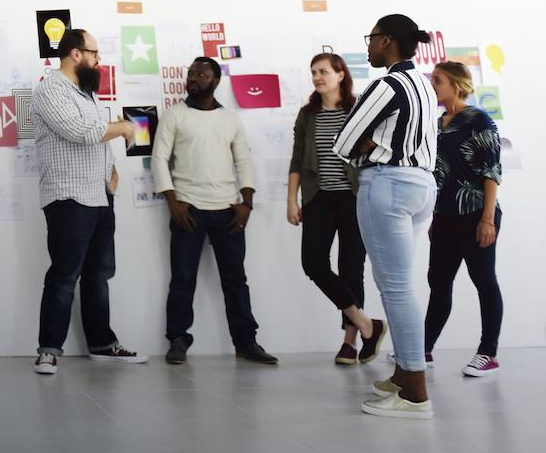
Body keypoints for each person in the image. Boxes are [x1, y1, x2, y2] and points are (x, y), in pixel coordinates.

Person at [334, 14, 439, 419]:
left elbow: (344, 144)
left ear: (387, 41)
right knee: (398, 284)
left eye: (372, 38)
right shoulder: (424, 84)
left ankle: (415, 393)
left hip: (388, 184)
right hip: (421, 185)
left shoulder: (387, 85)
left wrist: (370, 142)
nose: (368, 46)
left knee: (396, 289)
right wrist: (375, 140)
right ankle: (402, 376)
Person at [152, 57, 276, 365]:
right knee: (183, 279)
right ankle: (177, 339)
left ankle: (246, 342)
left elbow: (243, 161)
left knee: (236, 280)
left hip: (228, 211)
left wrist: (247, 203)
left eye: (201, 74)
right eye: (191, 73)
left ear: (216, 81)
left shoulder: (230, 119)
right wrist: (173, 203)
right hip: (188, 209)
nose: (193, 78)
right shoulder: (174, 115)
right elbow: (159, 159)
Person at [30, 29, 140, 375]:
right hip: (69, 197)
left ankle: (102, 344)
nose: (98, 60)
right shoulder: (50, 89)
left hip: (99, 197)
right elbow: (80, 132)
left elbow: (95, 139)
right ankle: (48, 351)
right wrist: (124, 128)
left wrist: (111, 171)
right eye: (94, 53)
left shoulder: (87, 93)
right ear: (76, 54)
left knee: (98, 275)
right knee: (64, 275)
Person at [286, 53, 386, 365]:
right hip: (318, 198)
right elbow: (297, 158)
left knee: (351, 268)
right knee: (313, 264)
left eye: (323, 71)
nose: (317, 77)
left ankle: (349, 343)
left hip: (354, 198)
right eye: (313, 72)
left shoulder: (359, 110)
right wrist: (291, 199)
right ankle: (367, 324)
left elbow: (376, 150)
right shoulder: (307, 114)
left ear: (340, 74)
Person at [424, 61, 503, 377]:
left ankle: (488, 353)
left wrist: (488, 219)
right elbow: (438, 175)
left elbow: (491, 171)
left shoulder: (478, 119)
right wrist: (435, 217)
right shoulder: (437, 123)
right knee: (438, 282)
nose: (433, 85)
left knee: (484, 280)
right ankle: (423, 349)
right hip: (445, 215)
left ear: (456, 84)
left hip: (476, 213)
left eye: (438, 80)